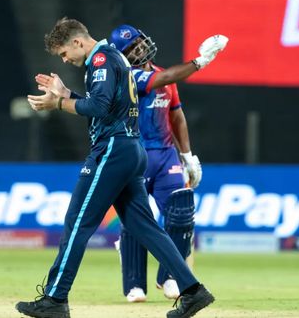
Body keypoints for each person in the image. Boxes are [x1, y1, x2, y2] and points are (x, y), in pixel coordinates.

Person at [15, 17, 216, 318]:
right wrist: (66, 94)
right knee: (144, 226)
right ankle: (193, 291)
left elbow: (97, 108)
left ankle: (55, 300)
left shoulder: (100, 59)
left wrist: (56, 105)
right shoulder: (112, 58)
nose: (65, 59)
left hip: (113, 150)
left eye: (64, 53)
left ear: (77, 42)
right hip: (132, 149)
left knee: (77, 222)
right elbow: (107, 106)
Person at [108, 25, 228, 302]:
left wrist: (187, 156)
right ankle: (135, 284)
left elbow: (177, 117)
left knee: (182, 212)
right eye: (131, 47)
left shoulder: (165, 77)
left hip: (165, 157)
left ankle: (171, 276)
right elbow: (166, 77)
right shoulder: (127, 77)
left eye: (139, 42)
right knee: (137, 219)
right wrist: (200, 61)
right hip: (135, 156)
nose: (138, 48)